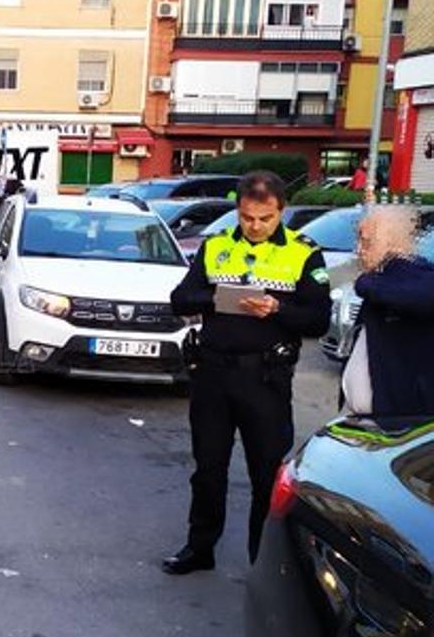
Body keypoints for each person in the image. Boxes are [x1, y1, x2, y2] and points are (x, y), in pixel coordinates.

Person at [164, 171, 332, 573]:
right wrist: (219, 298)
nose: (254, 226)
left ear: (281, 212)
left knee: (265, 475)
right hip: (213, 375)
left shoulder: (303, 252)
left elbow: (318, 319)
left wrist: (277, 309)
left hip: (265, 379)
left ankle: (262, 561)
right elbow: (180, 297)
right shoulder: (217, 246)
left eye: (265, 219)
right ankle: (199, 548)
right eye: (247, 217)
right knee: (208, 469)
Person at [343, 207, 434, 417]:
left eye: (366, 242)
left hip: (401, 421)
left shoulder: (415, 275)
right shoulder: (383, 276)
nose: (358, 250)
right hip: (369, 420)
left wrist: (365, 283)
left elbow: (420, 297)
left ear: (390, 243)